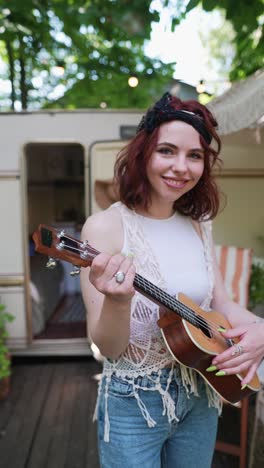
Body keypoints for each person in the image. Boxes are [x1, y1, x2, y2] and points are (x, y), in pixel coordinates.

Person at [80, 92, 264, 468]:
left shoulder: (199, 224)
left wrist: (261, 329)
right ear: (143, 153)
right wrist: (118, 301)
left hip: (202, 388)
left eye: (194, 156)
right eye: (167, 151)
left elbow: (222, 303)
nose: (181, 167)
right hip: (134, 403)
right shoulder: (104, 228)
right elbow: (110, 348)